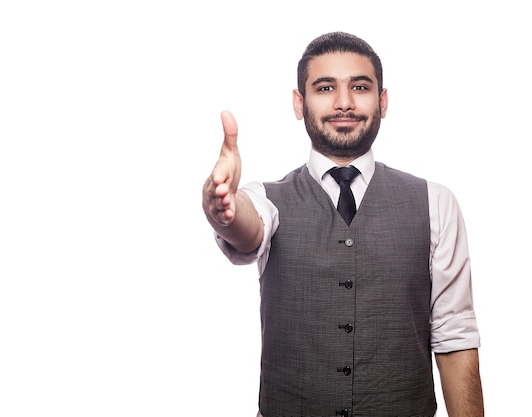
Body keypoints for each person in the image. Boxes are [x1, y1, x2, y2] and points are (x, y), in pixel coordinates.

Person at [203, 31, 484, 417]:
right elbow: (247, 231)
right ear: (299, 103)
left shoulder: (436, 203)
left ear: (382, 101)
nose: (344, 102)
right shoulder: (266, 199)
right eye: (325, 88)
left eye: (360, 86)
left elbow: (456, 336)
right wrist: (223, 208)